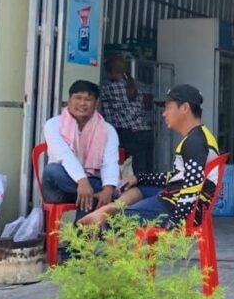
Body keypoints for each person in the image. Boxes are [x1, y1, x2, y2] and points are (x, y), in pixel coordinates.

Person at [80, 84, 218, 230]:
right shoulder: (199, 136)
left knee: (114, 222)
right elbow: (179, 177)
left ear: (184, 108)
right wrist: (139, 178)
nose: (164, 114)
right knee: (139, 186)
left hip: (176, 208)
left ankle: (108, 215)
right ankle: (110, 208)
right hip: (174, 198)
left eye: (168, 108)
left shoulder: (195, 143)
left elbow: (192, 185)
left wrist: (175, 222)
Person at [42, 80, 121, 218]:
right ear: (69, 100)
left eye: (88, 99)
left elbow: (110, 162)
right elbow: (64, 155)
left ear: (96, 103)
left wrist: (108, 189)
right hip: (60, 189)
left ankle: (80, 231)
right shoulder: (53, 124)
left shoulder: (107, 130)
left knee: (100, 188)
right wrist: (82, 181)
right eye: (78, 98)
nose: (82, 103)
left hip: (89, 188)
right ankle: (95, 193)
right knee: (52, 169)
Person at [99, 54, 153, 177]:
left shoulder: (109, 88)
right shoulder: (136, 85)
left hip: (129, 134)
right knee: (147, 171)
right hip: (145, 131)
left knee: (131, 171)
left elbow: (105, 113)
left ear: (111, 72)